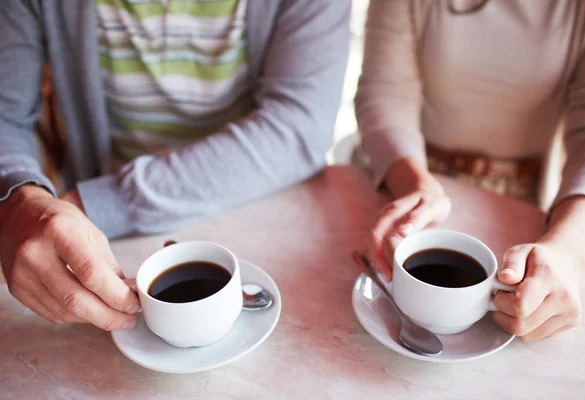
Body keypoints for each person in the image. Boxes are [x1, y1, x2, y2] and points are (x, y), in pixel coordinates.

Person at [0, 0, 349, 331]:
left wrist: (93, 204)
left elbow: (299, 127)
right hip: (105, 236)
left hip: (258, 204)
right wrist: (20, 197)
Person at [355, 0, 585, 341]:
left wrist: (568, 253)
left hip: (522, 198)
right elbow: (385, 91)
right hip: (406, 181)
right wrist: (415, 183)